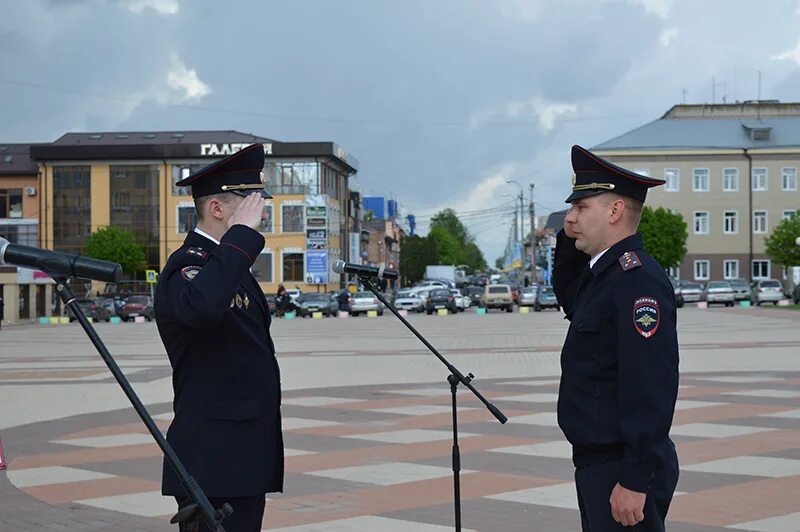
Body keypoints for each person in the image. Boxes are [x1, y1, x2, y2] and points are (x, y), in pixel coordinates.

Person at [154, 144, 283, 532]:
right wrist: (241, 236)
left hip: (242, 454)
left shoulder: (229, 264)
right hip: (212, 459)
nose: (261, 214)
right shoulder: (188, 266)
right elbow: (202, 308)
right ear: (217, 209)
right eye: (251, 205)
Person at [553, 145, 679, 531]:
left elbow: (650, 386)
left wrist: (635, 479)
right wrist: (568, 235)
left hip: (622, 469)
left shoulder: (637, 282)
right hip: (598, 463)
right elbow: (569, 296)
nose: (570, 217)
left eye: (581, 208)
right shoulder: (603, 276)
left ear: (614, 211)